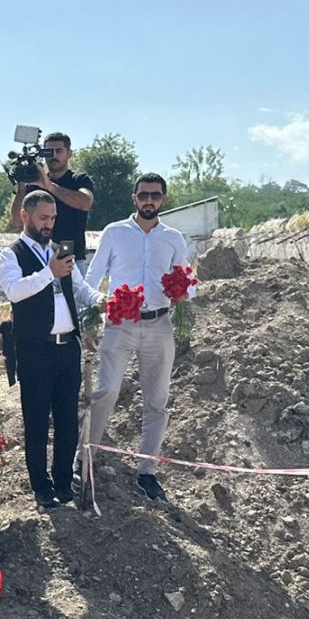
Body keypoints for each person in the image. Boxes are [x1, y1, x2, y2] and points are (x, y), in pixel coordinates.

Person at [84, 173, 193, 503]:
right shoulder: (114, 232)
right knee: (106, 390)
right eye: (143, 195)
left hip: (159, 324)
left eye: (155, 195)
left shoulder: (173, 238)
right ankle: (84, 458)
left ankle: (147, 471)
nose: (149, 200)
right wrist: (91, 315)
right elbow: (92, 278)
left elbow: (186, 282)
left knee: (157, 401)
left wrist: (184, 294)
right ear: (134, 198)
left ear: (163, 200)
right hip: (120, 323)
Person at [0, 191, 102, 509]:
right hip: (35, 350)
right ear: (25, 216)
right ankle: (41, 487)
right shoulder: (10, 255)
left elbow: (79, 288)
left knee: (67, 420)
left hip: (67, 348)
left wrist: (101, 301)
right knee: (38, 422)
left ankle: (63, 482)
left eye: (53, 218)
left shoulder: (60, 250)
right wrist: (48, 273)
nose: (49, 224)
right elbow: (14, 291)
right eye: (43, 218)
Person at [10, 131, 95, 262]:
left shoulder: (79, 180)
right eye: (49, 152)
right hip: (38, 258)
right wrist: (21, 185)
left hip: (71, 257)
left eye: (59, 151)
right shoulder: (33, 185)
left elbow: (85, 203)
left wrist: (49, 186)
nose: (54, 156)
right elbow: (18, 221)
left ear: (69, 154)